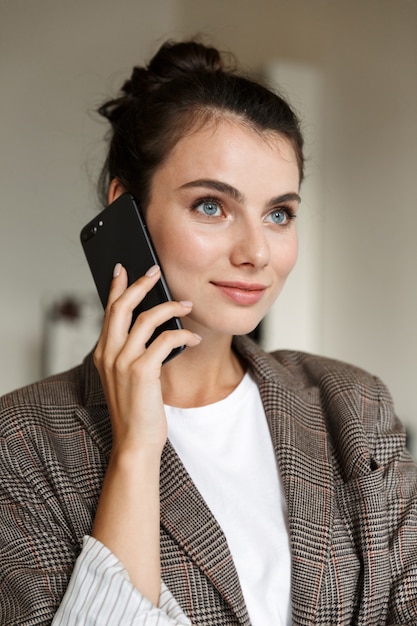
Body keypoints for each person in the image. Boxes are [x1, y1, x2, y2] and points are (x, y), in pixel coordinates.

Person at [0, 38, 416, 626]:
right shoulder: (22, 443)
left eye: (279, 214)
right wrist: (136, 453)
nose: (256, 253)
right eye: (211, 206)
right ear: (126, 208)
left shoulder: (353, 405)